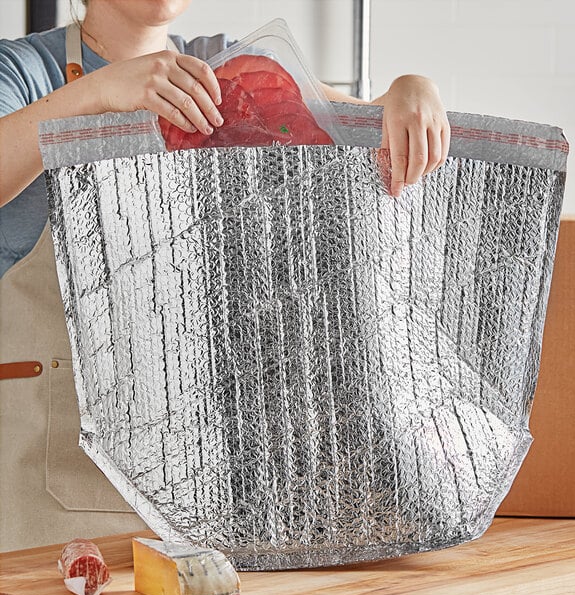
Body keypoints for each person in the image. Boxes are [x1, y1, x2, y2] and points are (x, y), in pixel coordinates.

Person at [0, 0, 450, 551]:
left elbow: (366, 122)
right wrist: (97, 93)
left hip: (206, 453)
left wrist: (411, 88)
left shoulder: (230, 65)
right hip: (56, 448)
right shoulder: (22, 71)